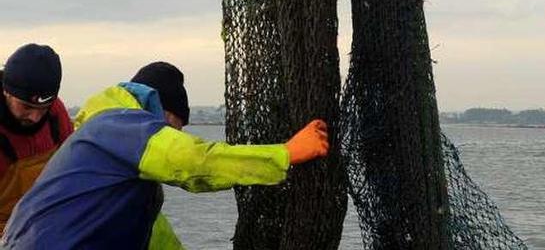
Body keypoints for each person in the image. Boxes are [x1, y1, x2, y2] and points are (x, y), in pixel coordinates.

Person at [2, 61, 329, 249]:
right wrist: (285, 154)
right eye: (176, 128)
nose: (178, 137)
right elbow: (193, 162)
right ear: (159, 110)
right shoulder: (119, 126)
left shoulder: (120, 169)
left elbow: (157, 240)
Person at [0, 44, 73, 232]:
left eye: (43, 108)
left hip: (44, 225)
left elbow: (72, 172)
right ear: (6, 91)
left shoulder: (56, 114)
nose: (35, 117)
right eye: (26, 107)